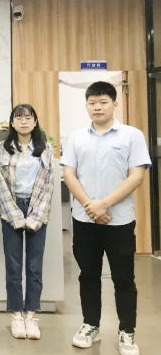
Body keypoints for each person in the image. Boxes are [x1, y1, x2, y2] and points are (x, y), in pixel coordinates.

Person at [62, 81, 151, 355]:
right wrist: (90, 206)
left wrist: (104, 204)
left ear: (114, 104)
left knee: (123, 278)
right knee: (88, 275)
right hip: (84, 220)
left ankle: (127, 331)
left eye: (103, 102)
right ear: (87, 106)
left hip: (119, 220)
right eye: (92, 103)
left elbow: (136, 176)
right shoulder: (77, 137)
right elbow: (69, 174)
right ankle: (90, 325)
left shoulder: (132, 135)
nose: (97, 107)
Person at [0, 104, 54, 340]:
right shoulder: (3, 148)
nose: (24, 121)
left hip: (38, 207)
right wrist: (16, 216)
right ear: (12, 123)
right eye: (19, 118)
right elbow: (0, 184)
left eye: (28, 117)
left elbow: (48, 185)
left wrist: (35, 216)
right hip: (12, 207)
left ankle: (31, 315)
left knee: (34, 266)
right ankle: (17, 315)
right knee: (14, 266)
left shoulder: (45, 148)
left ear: (35, 121)